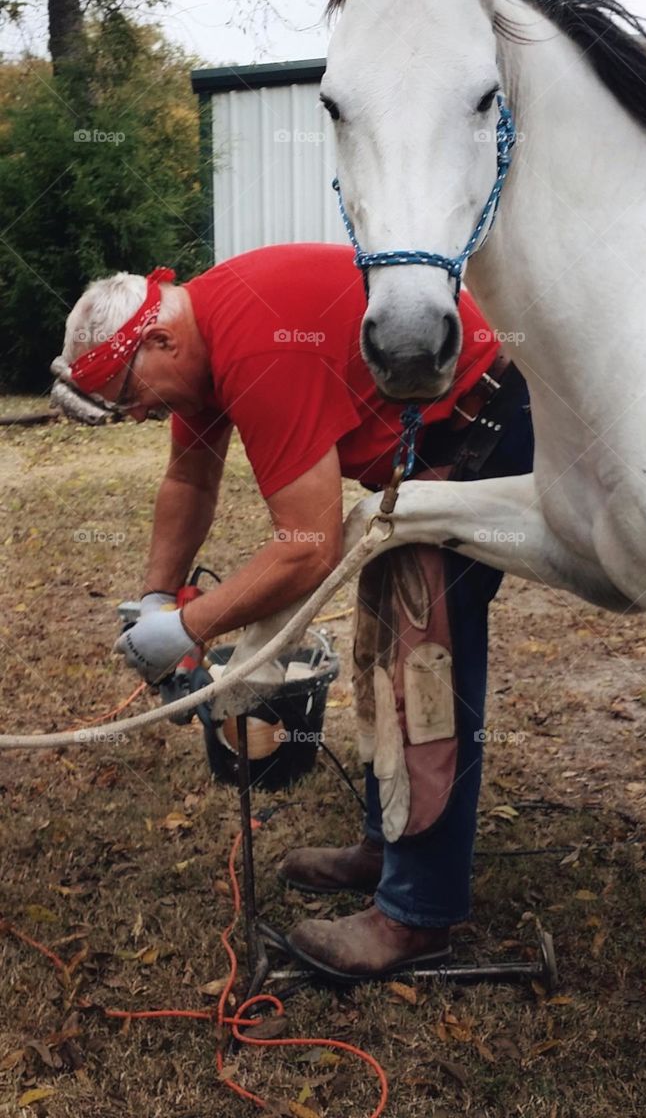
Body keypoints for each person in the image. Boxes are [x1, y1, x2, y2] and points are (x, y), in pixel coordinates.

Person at [53, 243, 533, 978]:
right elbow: (190, 475)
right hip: (426, 448)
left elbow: (306, 546)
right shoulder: (203, 335)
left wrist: (188, 626)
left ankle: (419, 916)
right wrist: (156, 597)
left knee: (422, 663)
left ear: (157, 340)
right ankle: (388, 844)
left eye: (130, 392)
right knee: (380, 650)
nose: (140, 411)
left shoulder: (253, 341)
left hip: (476, 434)